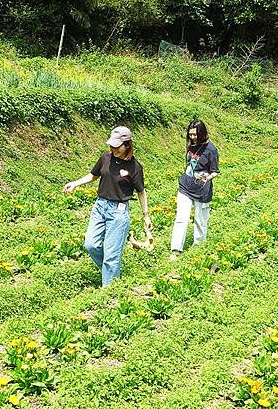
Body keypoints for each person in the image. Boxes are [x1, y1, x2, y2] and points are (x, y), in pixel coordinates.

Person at [64, 126, 152, 286]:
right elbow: (93, 175)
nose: (113, 149)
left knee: (112, 255)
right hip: (100, 206)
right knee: (90, 244)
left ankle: (109, 292)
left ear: (127, 145)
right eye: (111, 145)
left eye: (117, 146)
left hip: (118, 212)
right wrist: (75, 184)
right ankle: (111, 271)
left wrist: (146, 215)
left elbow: (141, 191)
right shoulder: (105, 158)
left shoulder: (135, 167)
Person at [170, 119, 219, 260]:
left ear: (202, 133)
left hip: (202, 190)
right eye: (190, 134)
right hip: (185, 186)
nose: (192, 137)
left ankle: (198, 248)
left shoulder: (211, 150)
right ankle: (176, 249)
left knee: (200, 220)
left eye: (196, 135)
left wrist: (207, 177)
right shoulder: (191, 145)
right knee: (181, 218)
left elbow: (215, 171)